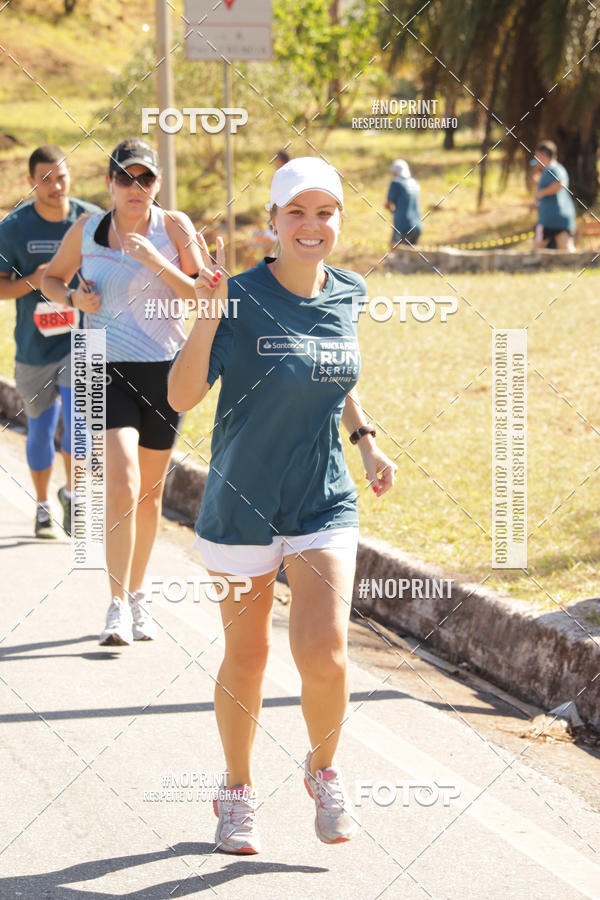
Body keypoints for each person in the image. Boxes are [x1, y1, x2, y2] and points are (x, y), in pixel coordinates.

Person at [169, 156, 397, 854]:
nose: (310, 225)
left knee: (325, 656)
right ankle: (236, 792)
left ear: (338, 222)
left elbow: (329, 370)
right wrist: (206, 318)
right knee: (249, 655)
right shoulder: (233, 297)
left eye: (324, 212)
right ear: (272, 222)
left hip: (322, 498)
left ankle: (323, 770)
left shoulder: (349, 290)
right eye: (295, 212)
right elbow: (180, 398)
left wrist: (364, 438)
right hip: (242, 505)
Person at [43, 138, 205, 645]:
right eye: (125, 179)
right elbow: (50, 279)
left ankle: (138, 595)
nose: (137, 189)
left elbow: (202, 294)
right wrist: (73, 297)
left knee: (151, 495)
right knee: (122, 485)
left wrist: (158, 260)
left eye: (146, 179)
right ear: (110, 183)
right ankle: (115, 604)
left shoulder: (174, 227)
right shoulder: (86, 231)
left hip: (165, 371)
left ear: (157, 184)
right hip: (105, 367)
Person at [0, 146, 101, 538]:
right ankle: (43, 506)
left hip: (80, 342)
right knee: (41, 428)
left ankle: (74, 497)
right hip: (34, 347)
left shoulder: (90, 220)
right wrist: (35, 280)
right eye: (46, 179)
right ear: (31, 182)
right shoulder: (13, 229)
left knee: (79, 422)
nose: (55, 186)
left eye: (61, 177)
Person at [530, 141, 576, 251]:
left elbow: (560, 184)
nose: (535, 159)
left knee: (537, 250)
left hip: (549, 219)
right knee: (566, 249)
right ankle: (580, 266)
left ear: (543, 155)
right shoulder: (554, 169)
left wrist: (540, 194)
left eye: (537, 155)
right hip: (561, 217)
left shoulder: (553, 168)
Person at [385, 158, 422, 249]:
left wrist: (392, 210)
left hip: (403, 226)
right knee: (411, 258)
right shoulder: (414, 183)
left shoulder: (396, 183)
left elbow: (388, 204)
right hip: (417, 226)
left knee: (395, 254)